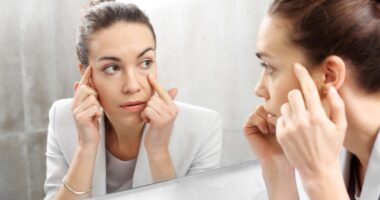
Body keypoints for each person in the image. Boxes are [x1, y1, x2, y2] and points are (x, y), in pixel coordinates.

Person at [44, 1, 223, 199]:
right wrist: (85, 148)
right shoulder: (63, 118)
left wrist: (158, 151)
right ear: (87, 75)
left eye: (145, 63)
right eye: (112, 68)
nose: (132, 86)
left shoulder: (202, 128)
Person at [244, 0, 380, 199]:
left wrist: (320, 177)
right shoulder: (336, 153)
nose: (259, 90)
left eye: (269, 67)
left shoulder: (322, 166)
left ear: (329, 76)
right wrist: (278, 167)